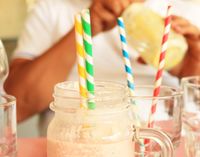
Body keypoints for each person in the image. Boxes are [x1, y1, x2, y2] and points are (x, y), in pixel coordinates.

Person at [4, 0, 200, 134]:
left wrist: (194, 68)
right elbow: (17, 108)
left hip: (163, 150)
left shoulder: (187, 9)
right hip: (77, 150)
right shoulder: (51, 9)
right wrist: (83, 28)